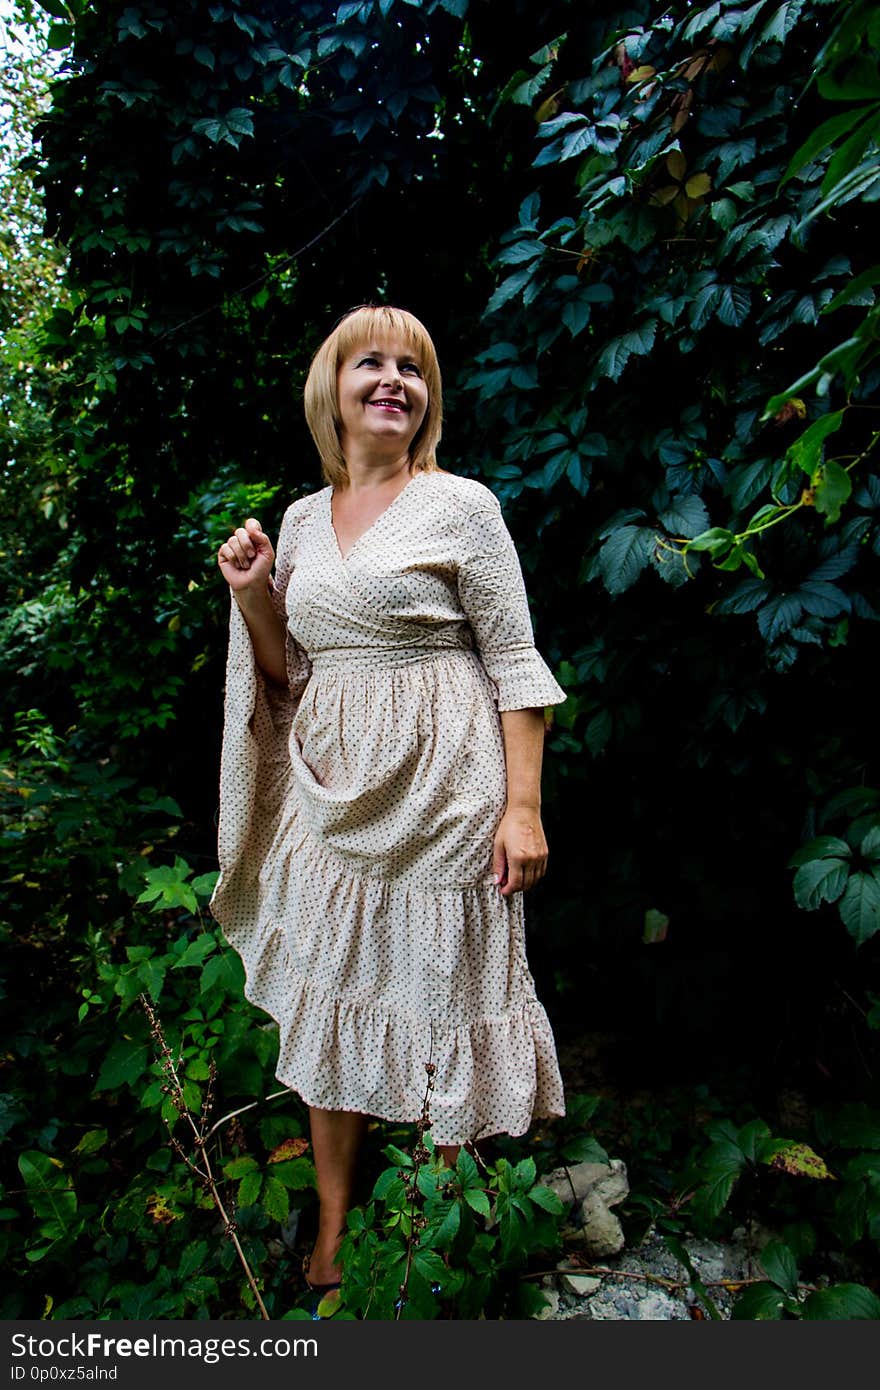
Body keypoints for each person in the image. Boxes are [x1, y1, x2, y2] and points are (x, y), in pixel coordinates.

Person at [211, 304, 567, 1297]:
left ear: (427, 398)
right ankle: (331, 1230)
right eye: (370, 362)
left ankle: (425, 1233)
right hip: (337, 803)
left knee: (445, 1001)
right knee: (334, 1000)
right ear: (332, 386)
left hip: (448, 795)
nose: (392, 381)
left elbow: (515, 664)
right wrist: (252, 593)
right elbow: (290, 675)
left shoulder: (460, 507)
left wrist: (523, 808)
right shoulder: (298, 521)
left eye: (412, 369)